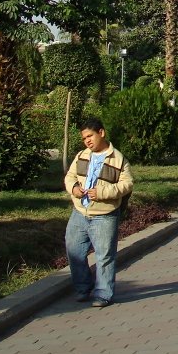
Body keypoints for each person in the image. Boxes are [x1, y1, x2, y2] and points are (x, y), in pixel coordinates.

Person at [63, 117, 134, 308]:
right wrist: (74, 189)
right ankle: (82, 287)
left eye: (90, 136)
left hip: (104, 215)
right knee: (74, 251)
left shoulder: (118, 159)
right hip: (79, 212)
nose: (87, 141)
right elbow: (70, 177)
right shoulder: (82, 156)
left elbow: (127, 184)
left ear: (101, 133)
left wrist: (102, 192)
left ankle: (103, 294)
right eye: (84, 138)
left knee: (104, 256)